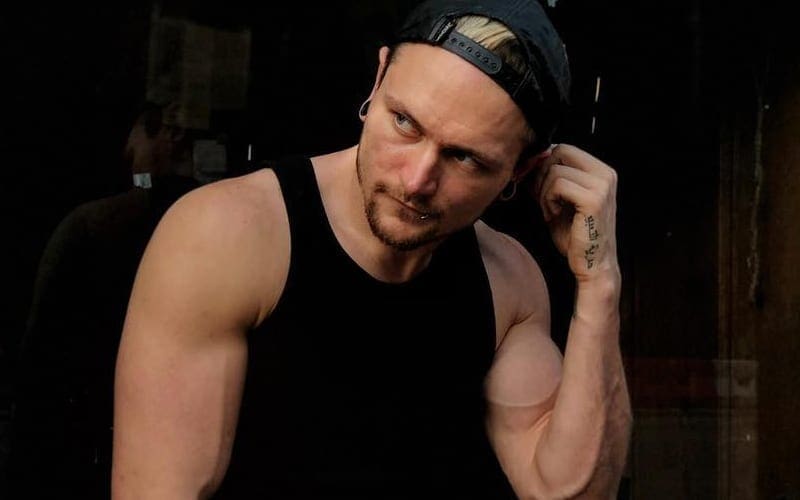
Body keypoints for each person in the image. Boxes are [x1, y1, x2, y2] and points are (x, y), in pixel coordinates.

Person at [112, 0, 632, 498]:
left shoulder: (508, 282)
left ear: (519, 172)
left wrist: (600, 283)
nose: (417, 180)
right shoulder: (226, 237)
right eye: (405, 122)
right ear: (378, 79)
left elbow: (570, 493)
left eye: (464, 158)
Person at [7, 101, 199, 499]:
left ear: (169, 133)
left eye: (134, 151)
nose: (132, 163)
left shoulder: (95, 228)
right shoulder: (223, 238)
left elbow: (38, 368)